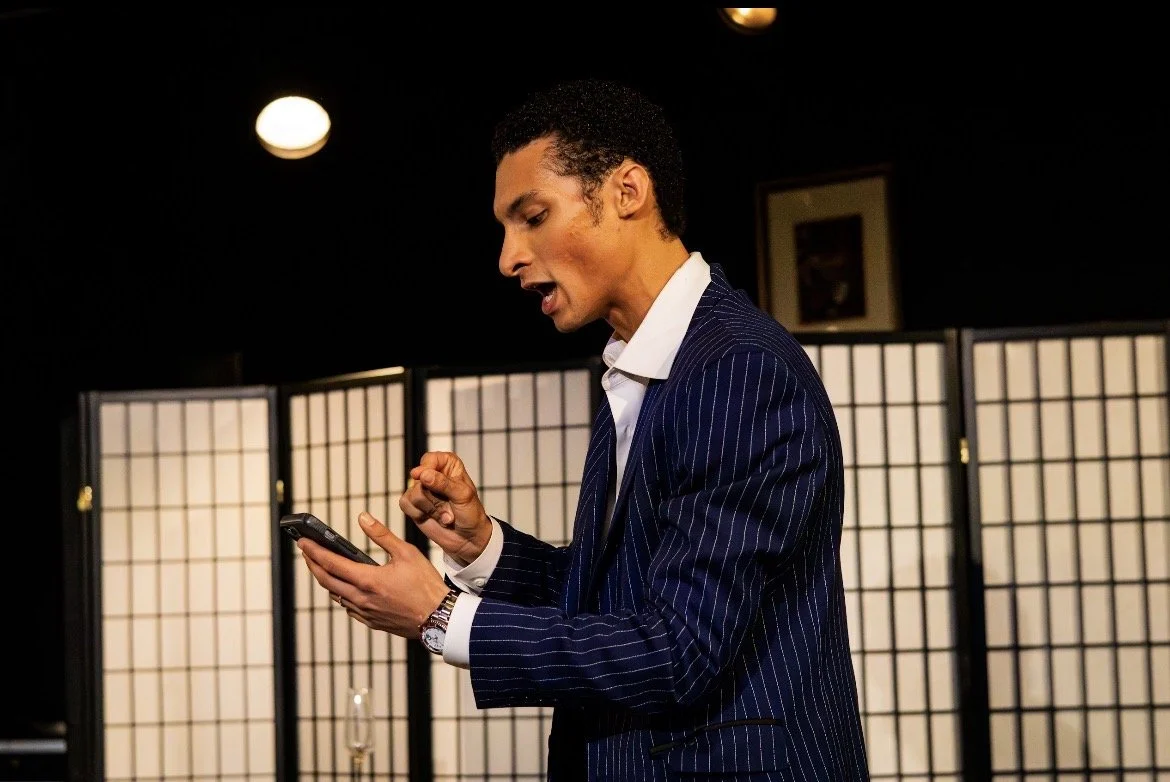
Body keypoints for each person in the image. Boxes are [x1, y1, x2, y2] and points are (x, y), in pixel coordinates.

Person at [297, 77, 870, 781]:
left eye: (532, 217)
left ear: (628, 191)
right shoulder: (641, 365)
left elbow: (677, 650)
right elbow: (623, 602)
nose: (507, 257)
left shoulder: (738, 370)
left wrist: (441, 616)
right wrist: (483, 548)